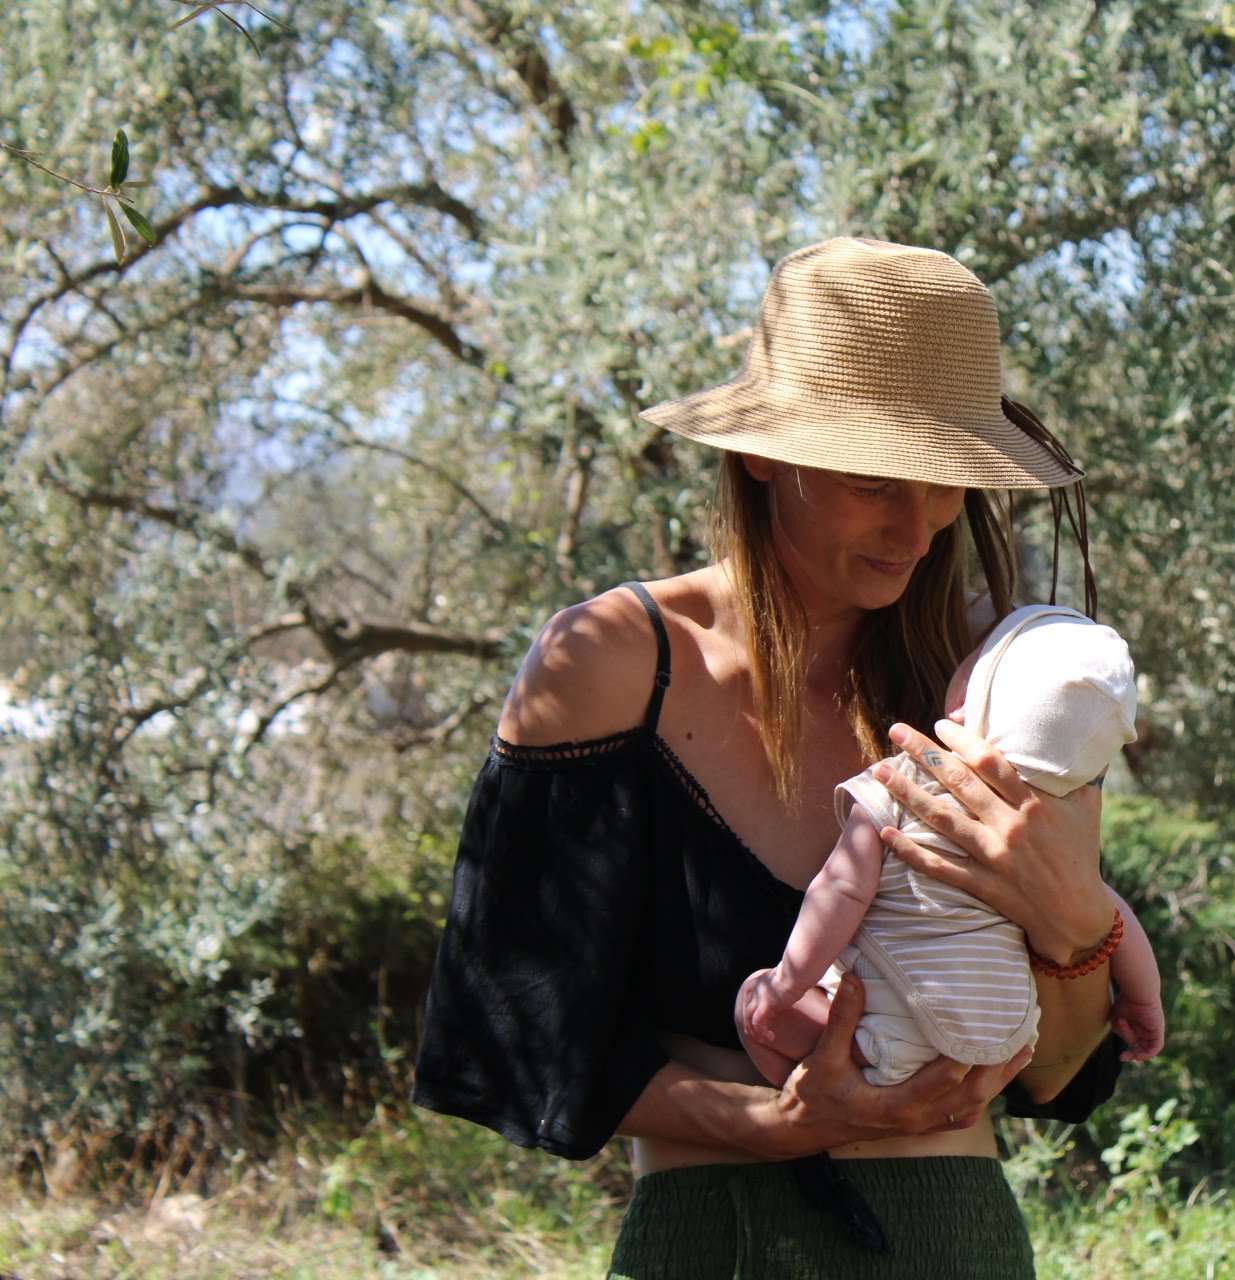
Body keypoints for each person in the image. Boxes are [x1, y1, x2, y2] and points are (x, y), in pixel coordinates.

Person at [411, 236, 1135, 1278]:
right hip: (714, 1238)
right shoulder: (611, 665)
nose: (918, 524)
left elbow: (1059, 1074)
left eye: (944, 485)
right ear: (762, 450)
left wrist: (1073, 917)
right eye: (876, 479)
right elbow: (505, 1038)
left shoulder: (1001, 677)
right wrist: (771, 1121)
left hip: (961, 1239)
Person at [734, 604, 1165, 1091]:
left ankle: (801, 1100)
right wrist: (1143, 1000)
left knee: (754, 1002)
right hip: (1002, 1047)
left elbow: (843, 890)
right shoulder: (1051, 830)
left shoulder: (906, 783)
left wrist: (789, 982)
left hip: (885, 1030)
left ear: (965, 701)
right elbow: (1113, 915)